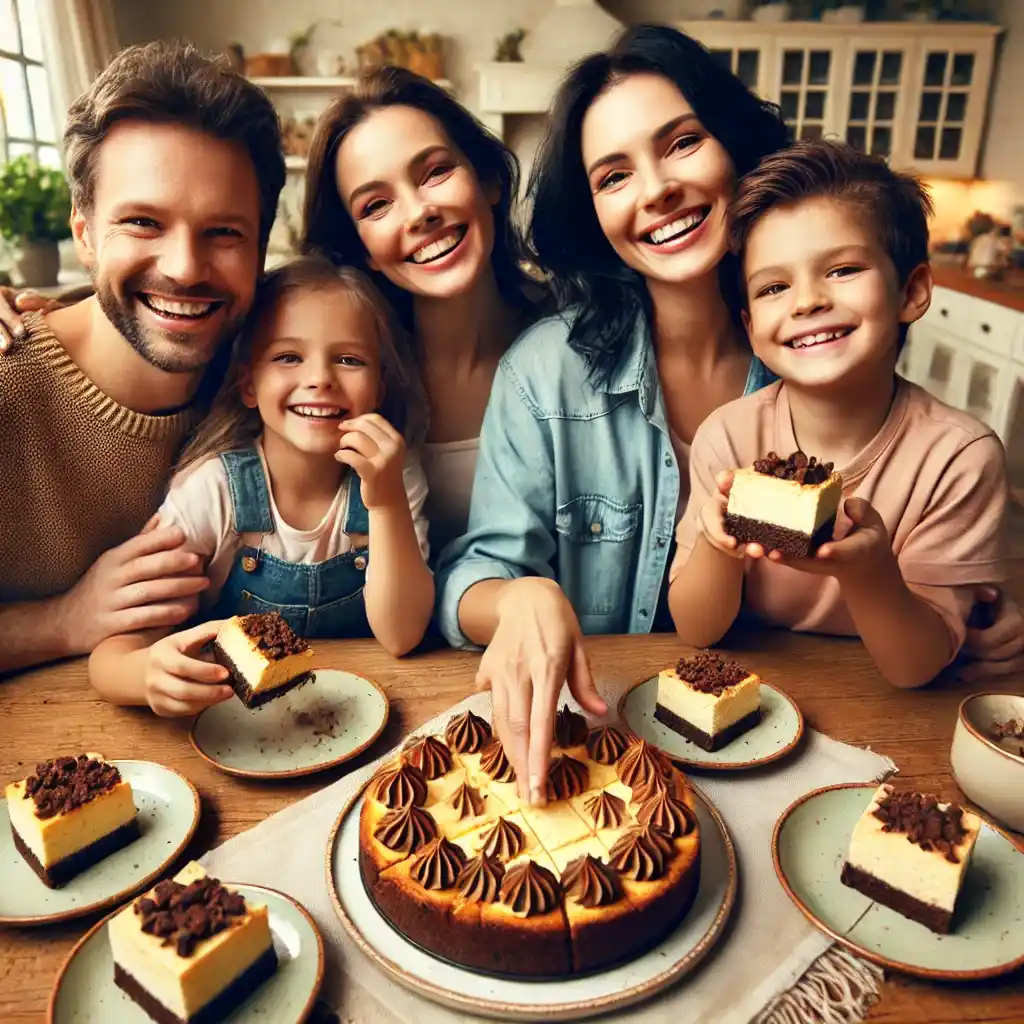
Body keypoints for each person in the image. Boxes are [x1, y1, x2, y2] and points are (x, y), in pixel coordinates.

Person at [434, 25, 787, 805]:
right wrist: (521, 596)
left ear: (736, 149)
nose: (656, 189)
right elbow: (470, 581)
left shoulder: (815, 354)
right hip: (597, 763)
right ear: (591, 213)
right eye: (614, 175)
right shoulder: (544, 373)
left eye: (684, 143)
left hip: (778, 745)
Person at [668, 140, 1008, 689]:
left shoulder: (958, 458)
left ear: (912, 291)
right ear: (751, 328)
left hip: (881, 703)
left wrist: (870, 573)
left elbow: (914, 667)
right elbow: (696, 629)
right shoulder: (729, 437)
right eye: (774, 287)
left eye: (843, 269)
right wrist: (717, 543)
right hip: (749, 688)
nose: (806, 302)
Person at [0, 41, 285, 675]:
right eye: (143, 223)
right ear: (85, 235)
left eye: (223, 232)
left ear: (262, 248)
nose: (185, 268)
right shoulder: (8, 384)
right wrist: (61, 621)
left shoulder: (271, 373)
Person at [88, 255, 432, 715]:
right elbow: (110, 657)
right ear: (249, 384)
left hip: (362, 718)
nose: (319, 380)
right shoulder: (212, 491)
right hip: (235, 727)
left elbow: (402, 634)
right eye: (288, 357)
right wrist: (146, 676)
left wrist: (386, 501)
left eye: (349, 360)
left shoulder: (395, 476)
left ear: (380, 388)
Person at [300, 66, 549, 556]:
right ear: (361, 249)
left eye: (436, 172)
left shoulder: (578, 341)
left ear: (489, 181)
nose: (419, 213)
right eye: (375, 205)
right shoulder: (337, 379)